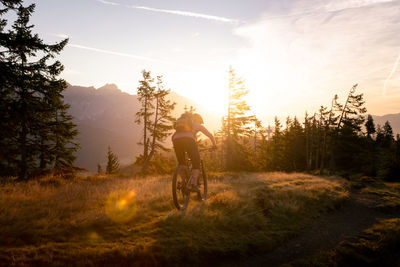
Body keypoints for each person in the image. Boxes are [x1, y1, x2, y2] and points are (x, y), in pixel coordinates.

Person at [172, 112, 216, 191]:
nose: (200, 123)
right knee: (196, 163)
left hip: (176, 141)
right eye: (200, 121)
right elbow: (210, 135)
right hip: (189, 141)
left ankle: (183, 182)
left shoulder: (180, 127)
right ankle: (194, 184)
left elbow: (173, 137)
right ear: (197, 120)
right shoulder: (197, 125)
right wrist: (214, 144)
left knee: (182, 164)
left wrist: (177, 146)